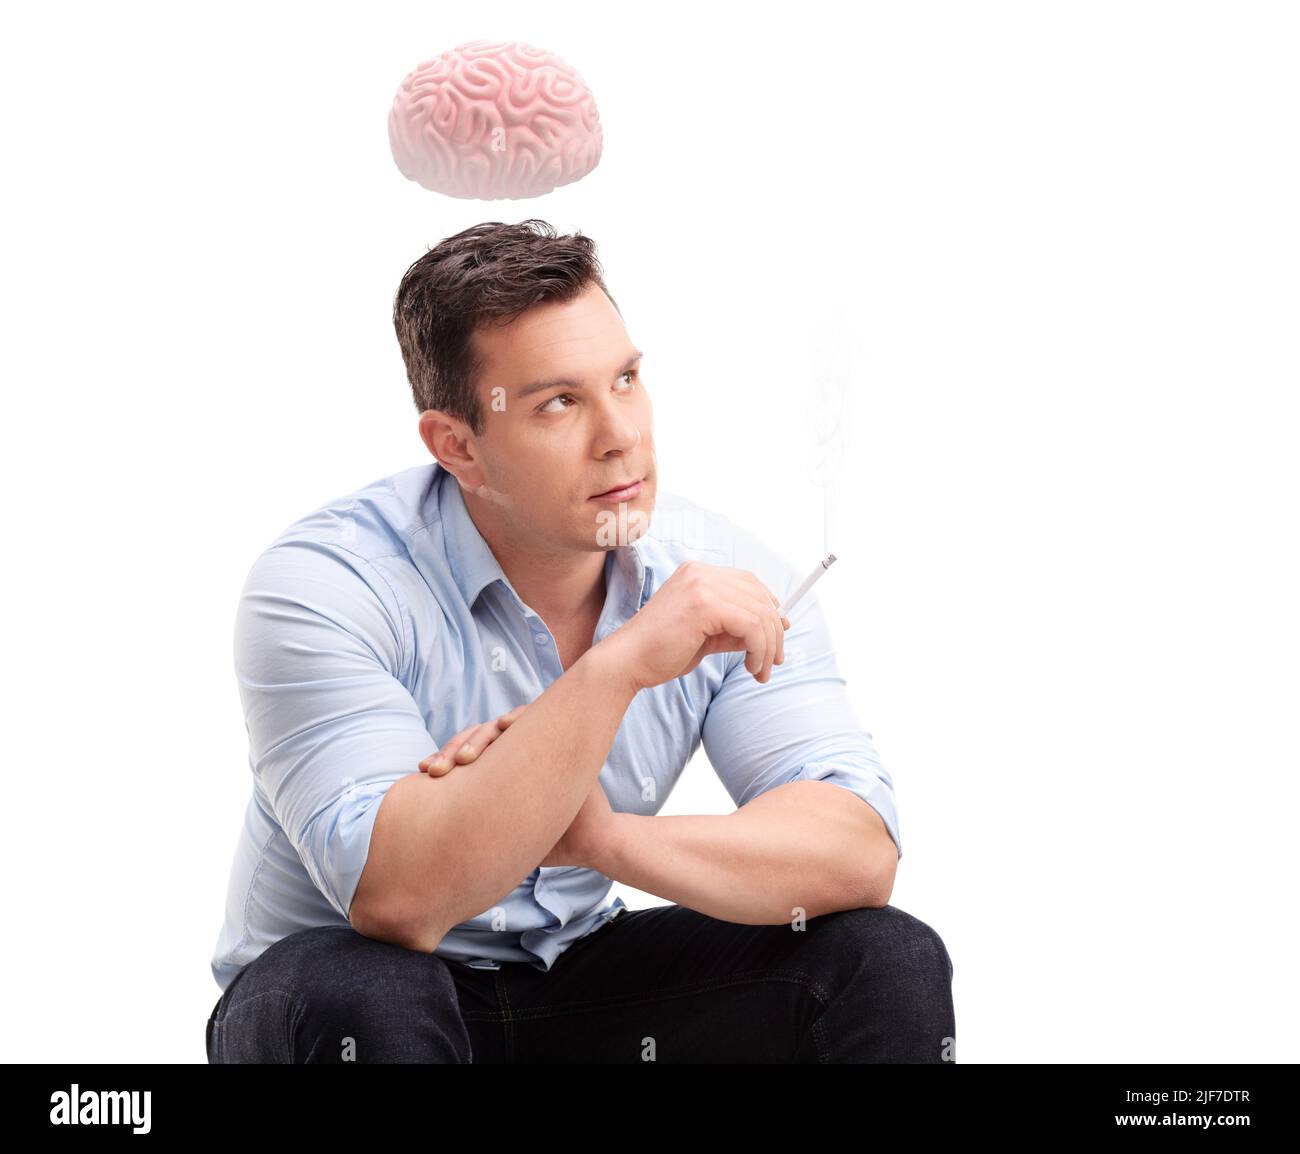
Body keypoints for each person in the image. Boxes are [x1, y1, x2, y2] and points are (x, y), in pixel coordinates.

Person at [205, 219, 955, 1063]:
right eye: (559, 401)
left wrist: (600, 839)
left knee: (882, 956)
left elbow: (854, 852)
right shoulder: (328, 585)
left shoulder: (722, 577)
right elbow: (401, 900)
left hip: (578, 981)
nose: (620, 434)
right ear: (459, 445)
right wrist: (619, 667)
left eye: (627, 379)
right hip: (351, 989)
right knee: (368, 991)